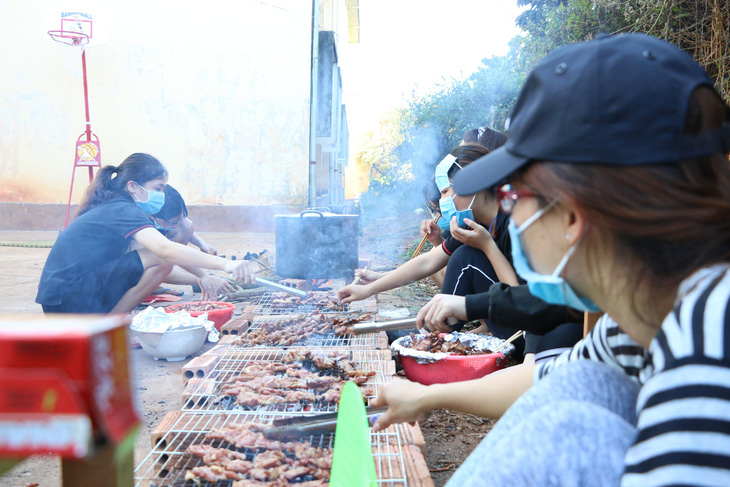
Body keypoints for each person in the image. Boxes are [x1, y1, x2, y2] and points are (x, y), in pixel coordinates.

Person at [371, 33, 730, 486]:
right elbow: (552, 374)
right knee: (581, 388)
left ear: (571, 216)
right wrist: (425, 399)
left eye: (512, 196)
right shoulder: (648, 313)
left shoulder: (710, 338)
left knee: (570, 429)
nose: (507, 213)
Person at [338, 143, 523, 351]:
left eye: (445, 191)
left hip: (525, 329)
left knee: (466, 257)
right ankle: (430, 336)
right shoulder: (474, 223)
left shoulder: (516, 219)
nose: (443, 200)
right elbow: (427, 262)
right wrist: (367, 290)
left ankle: (426, 338)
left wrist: (488, 245)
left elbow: (522, 300)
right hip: (507, 318)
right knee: (464, 255)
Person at [36, 153, 255, 314]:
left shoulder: (116, 203)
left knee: (158, 259)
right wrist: (225, 265)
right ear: (132, 186)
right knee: (160, 259)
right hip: (69, 300)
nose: (161, 194)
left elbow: (165, 249)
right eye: (158, 188)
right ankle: (111, 325)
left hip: (64, 299)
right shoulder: (123, 209)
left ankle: (110, 321)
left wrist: (202, 275)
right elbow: (165, 251)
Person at [150, 185, 235, 298]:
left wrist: (202, 244)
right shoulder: (141, 225)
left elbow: (180, 226)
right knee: (159, 264)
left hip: (163, 252)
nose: (175, 226)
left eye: (179, 219)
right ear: (150, 216)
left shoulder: (168, 204)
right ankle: (147, 288)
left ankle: (153, 286)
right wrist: (203, 278)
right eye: (171, 223)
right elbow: (159, 262)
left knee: (186, 225)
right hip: (131, 270)